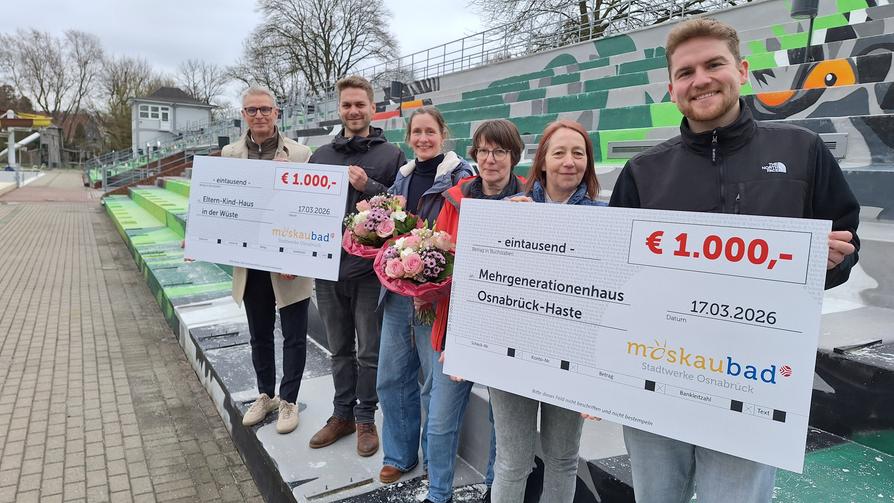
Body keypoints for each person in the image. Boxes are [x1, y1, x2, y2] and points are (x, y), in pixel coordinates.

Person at [609, 18, 860, 503]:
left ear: (741, 71)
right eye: (686, 72)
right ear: (672, 88)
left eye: (713, 64)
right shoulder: (643, 171)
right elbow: (613, 273)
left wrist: (830, 263)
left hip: (753, 382)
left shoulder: (802, 151)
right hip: (655, 376)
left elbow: (845, 245)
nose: (700, 79)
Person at [492, 120, 604, 503]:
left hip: (570, 356)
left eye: (578, 153)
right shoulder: (509, 211)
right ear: (542, 162)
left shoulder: (607, 220)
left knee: (562, 459)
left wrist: (599, 381)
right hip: (513, 354)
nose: (568, 162)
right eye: (559, 153)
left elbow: (608, 305)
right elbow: (485, 288)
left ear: (588, 163)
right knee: (512, 462)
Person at [425, 119, 527, 503]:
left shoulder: (533, 199)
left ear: (513, 156)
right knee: (440, 420)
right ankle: (438, 494)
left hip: (509, 332)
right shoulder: (454, 198)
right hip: (458, 327)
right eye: (483, 151)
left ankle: (491, 489)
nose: (490, 159)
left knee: (502, 424)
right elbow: (437, 256)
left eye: (499, 151)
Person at [307, 76, 406, 457]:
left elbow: (402, 210)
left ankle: (366, 418)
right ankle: (341, 414)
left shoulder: (391, 155)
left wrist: (370, 186)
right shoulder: (321, 156)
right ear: (340, 109)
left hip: (369, 273)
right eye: (347, 105)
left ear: (372, 107)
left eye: (359, 104)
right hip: (327, 268)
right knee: (338, 349)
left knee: (369, 351)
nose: (353, 111)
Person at [377, 107, 474, 484]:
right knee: (391, 376)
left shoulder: (462, 176)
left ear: (443, 134)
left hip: (437, 298)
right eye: (416, 132)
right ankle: (400, 455)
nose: (423, 138)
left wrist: (433, 282)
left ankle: (435, 460)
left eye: (430, 131)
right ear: (408, 137)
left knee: (435, 382)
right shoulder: (400, 180)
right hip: (399, 294)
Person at [222, 86, 312, 435]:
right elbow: (223, 206)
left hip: (289, 260)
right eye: (251, 110)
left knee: (294, 334)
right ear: (243, 115)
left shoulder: (301, 154)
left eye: (264, 109)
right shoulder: (229, 155)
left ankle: (289, 399)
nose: (258, 115)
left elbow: (310, 211)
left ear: (277, 113)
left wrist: (297, 255)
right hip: (250, 259)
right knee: (259, 333)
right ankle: (266, 394)